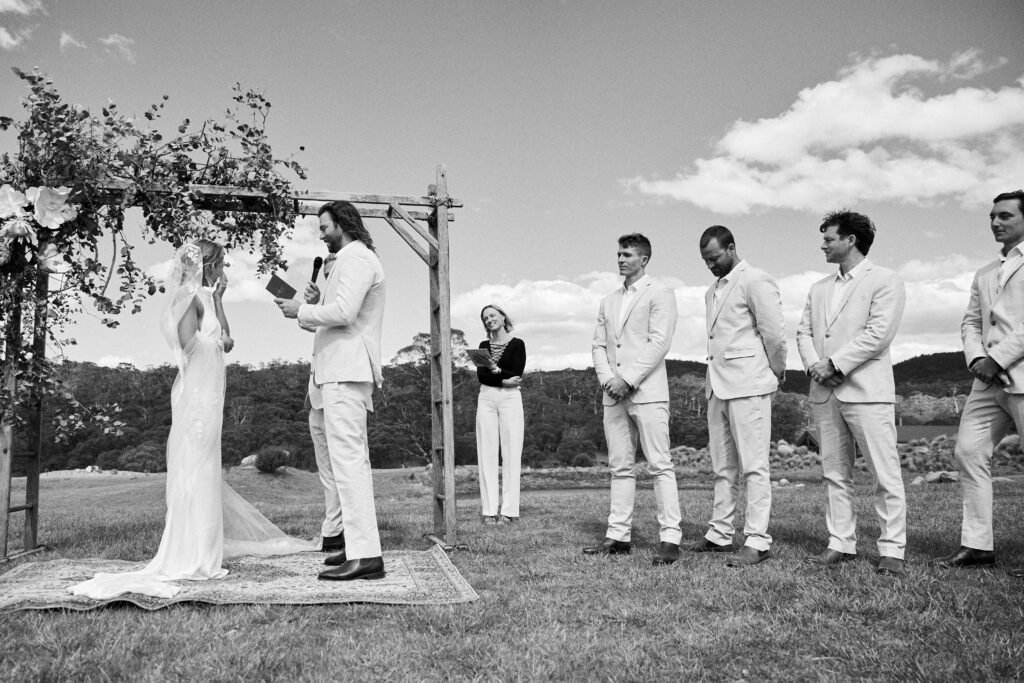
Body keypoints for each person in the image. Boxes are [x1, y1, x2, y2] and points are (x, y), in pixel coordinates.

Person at [71, 238, 315, 601]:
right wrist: (215, 342)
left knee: (207, 469)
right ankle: (194, 554)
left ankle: (206, 550)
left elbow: (226, 339)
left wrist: (218, 301)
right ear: (209, 264)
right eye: (223, 263)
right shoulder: (186, 298)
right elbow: (187, 344)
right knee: (195, 470)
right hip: (196, 397)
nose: (226, 270)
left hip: (211, 394)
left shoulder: (205, 297)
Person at [276, 201, 386, 581]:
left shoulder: (357, 258)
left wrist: (302, 310)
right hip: (332, 372)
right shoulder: (343, 263)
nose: (321, 234)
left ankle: (367, 555)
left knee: (351, 463)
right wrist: (306, 307)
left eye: (324, 227)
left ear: (343, 223)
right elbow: (327, 320)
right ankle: (356, 549)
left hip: (346, 372)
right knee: (342, 466)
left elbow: (344, 314)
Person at [796, 210, 907, 576]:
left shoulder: (886, 280)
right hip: (825, 392)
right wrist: (816, 365)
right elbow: (803, 333)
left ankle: (892, 549)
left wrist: (835, 364)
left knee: (883, 472)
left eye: (829, 239)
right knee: (834, 473)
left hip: (867, 391)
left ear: (851, 241)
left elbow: (879, 334)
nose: (823, 245)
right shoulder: (818, 288)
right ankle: (840, 543)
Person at [932, 190, 1024, 576]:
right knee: (969, 453)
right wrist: (977, 359)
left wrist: (999, 359)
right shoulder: (985, 272)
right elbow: (971, 322)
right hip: (986, 382)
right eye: (991, 216)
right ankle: (977, 546)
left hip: (1019, 375)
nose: (994, 222)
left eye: (1004, 215)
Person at [583, 233, 683, 566]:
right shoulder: (608, 300)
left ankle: (670, 538)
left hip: (648, 392)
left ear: (644, 259)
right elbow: (598, 344)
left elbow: (659, 342)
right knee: (620, 466)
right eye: (618, 254)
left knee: (659, 464)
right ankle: (618, 536)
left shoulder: (661, 294)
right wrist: (609, 380)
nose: (621, 260)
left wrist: (628, 379)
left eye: (627, 254)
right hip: (613, 394)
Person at [693, 225, 786, 567]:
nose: (710, 265)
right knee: (723, 466)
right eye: (705, 261)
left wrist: (776, 370)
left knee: (754, 466)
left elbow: (774, 333)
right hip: (716, 386)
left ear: (731, 248)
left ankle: (758, 540)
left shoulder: (756, 280)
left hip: (750, 384)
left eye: (714, 258)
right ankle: (719, 534)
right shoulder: (710, 292)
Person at [302, 252, 346, 555]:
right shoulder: (327, 308)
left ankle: (338, 531)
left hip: (339, 392)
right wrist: (310, 306)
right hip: (316, 396)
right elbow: (312, 328)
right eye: (325, 274)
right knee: (326, 470)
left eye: (332, 274)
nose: (328, 279)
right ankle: (333, 528)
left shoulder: (347, 304)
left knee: (343, 466)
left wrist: (309, 309)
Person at [474, 304, 526, 524]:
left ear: (503, 317)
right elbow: (481, 376)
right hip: (486, 397)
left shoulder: (517, 344)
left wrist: (496, 372)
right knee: (486, 451)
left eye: (493, 315)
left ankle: (508, 511)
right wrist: (502, 379)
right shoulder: (483, 346)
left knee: (512, 451)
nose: (489, 320)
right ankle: (489, 511)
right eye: (485, 318)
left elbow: (517, 373)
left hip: (510, 399)